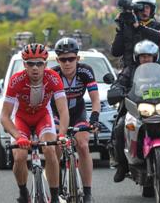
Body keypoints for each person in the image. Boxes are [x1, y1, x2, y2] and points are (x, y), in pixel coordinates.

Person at [0, 43, 69, 203]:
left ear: (45, 64)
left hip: (42, 116)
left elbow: (63, 110)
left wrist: (62, 134)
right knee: (20, 156)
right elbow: (4, 116)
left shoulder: (53, 77)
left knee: (50, 150)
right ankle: (23, 192)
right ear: (24, 64)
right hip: (21, 118)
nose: (35, 68)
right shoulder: (16, 80)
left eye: (39, 63)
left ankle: (54, 196)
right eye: (30, 64)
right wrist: (18, 137)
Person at [112, 40, 160, 182]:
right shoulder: (129, 71)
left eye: (149, 56)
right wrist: (117, 89)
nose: (146, 59)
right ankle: (122, 165)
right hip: (136, 110)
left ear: (155, 56)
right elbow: (119, 83)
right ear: (137, 57)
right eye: (142, 56)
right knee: (119, 127)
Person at [51, 38, 99, 203]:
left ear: (77, 59)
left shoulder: (85, 71)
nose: (67, 63)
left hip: (78, 113)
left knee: (83, 145)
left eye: (71, 58)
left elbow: (95, 99)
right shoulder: (53, 74)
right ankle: (54, 189)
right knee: (55, 147)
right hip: (56, 114)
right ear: (57, 60)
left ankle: (87, 193)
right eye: (63, 59)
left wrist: (95, 118)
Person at [110, 0, 160, 69]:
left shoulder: (157, 26)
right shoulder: (127, 27)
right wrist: (120, 29)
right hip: (129, 73)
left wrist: (139, 27)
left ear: (152, 10)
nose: (144, 10)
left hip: (153, 71)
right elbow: (116, 52)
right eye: (141, 7)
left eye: (147, 7)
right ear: (135, 9)